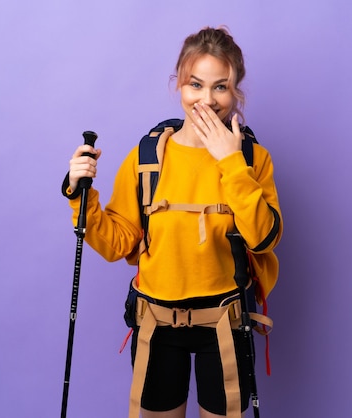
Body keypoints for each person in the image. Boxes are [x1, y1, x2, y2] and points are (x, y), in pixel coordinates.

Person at [64, 26, 282, 418]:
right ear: (178, 85)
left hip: (226, 324)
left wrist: (230, 163)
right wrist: (81, 196)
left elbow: (263, 237)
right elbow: (118, 244)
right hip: (157, 323)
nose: (207, 99)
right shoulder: (146, 157)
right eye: (195, 84)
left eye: (221, 87)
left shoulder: (252, 159)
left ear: (236, 93)